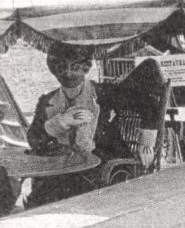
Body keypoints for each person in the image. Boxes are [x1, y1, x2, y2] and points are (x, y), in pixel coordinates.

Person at [27, 42, 165, 206]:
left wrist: (147, 141)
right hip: (63, 167)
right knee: (44, 195)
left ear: (85, 67)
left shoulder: (103, 93)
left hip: (104, 162)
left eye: (75, 66)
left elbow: (147, 101)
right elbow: (33, 137)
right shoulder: (47, 101)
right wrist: (61, 121)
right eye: (62, 67)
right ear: (54, 70)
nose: (69, 73)